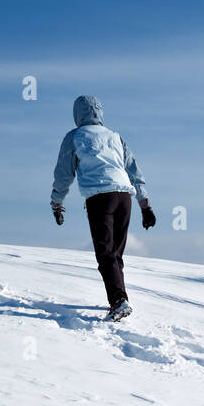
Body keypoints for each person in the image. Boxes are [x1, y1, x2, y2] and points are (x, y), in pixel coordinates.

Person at [49, 95, 156, 321]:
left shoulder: (74, 137)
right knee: (115, 254)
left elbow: (64, 174)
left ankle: (118, 301)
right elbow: (134, 171)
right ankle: (120, 298)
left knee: (105, 253)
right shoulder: (115, 137)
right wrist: (145, 206)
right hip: (124, 197)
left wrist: (57, 202)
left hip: (100, 198)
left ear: (77, 114)